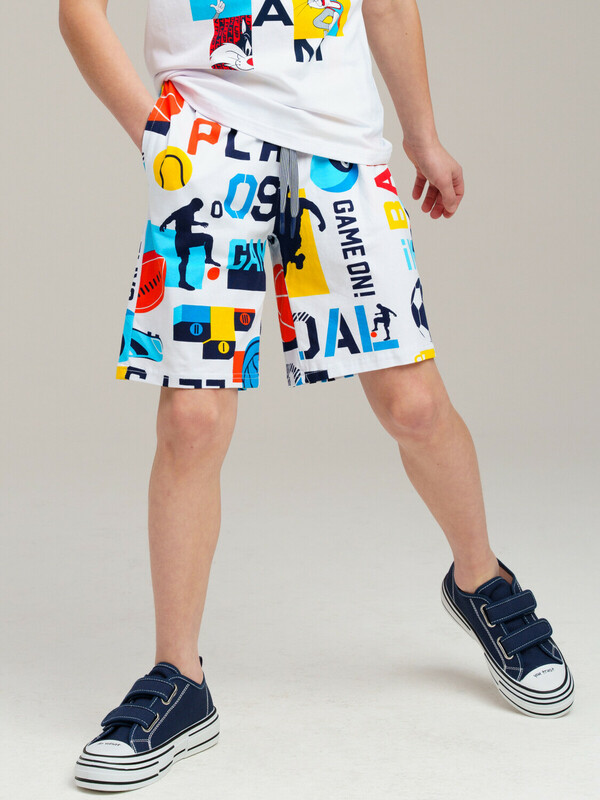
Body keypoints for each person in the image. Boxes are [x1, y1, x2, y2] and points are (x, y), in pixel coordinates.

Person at [59, 0, 574, 791]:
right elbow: (78, 9)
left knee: (414, 406)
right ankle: (178, 677)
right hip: (205, 146)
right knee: (191, 420)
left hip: (337, 150)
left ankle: (482, 581)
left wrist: (423, 136)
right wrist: (154, 131)